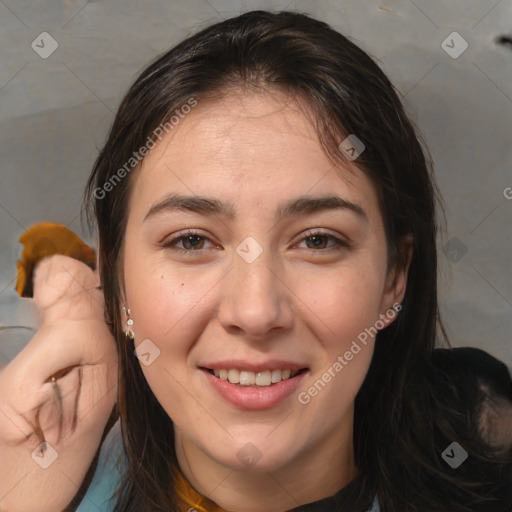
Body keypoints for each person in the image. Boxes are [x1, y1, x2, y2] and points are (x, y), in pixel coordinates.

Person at [1, 9, 511, 512]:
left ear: (394, 278)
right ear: (116, 278)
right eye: (191, 241)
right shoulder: (36, 456)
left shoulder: (481, 429)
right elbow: (50, 248)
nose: (255, 312)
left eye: (317, 241)